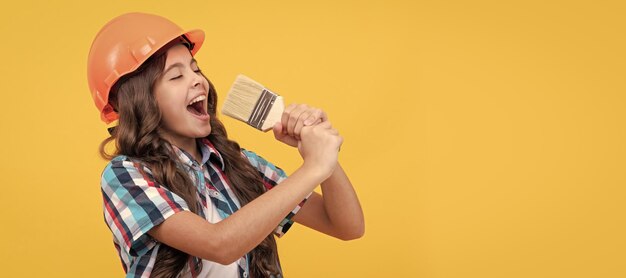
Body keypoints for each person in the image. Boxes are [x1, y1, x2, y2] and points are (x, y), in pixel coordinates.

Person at [87, 12, 364, 278]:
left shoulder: (237, 163)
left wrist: (323, 154)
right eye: (176, 76)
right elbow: (219, 245)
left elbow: (346, 226)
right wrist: (313, 169)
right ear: (138, 100)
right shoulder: (126, 176)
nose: (198, 80)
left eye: (196, 69)